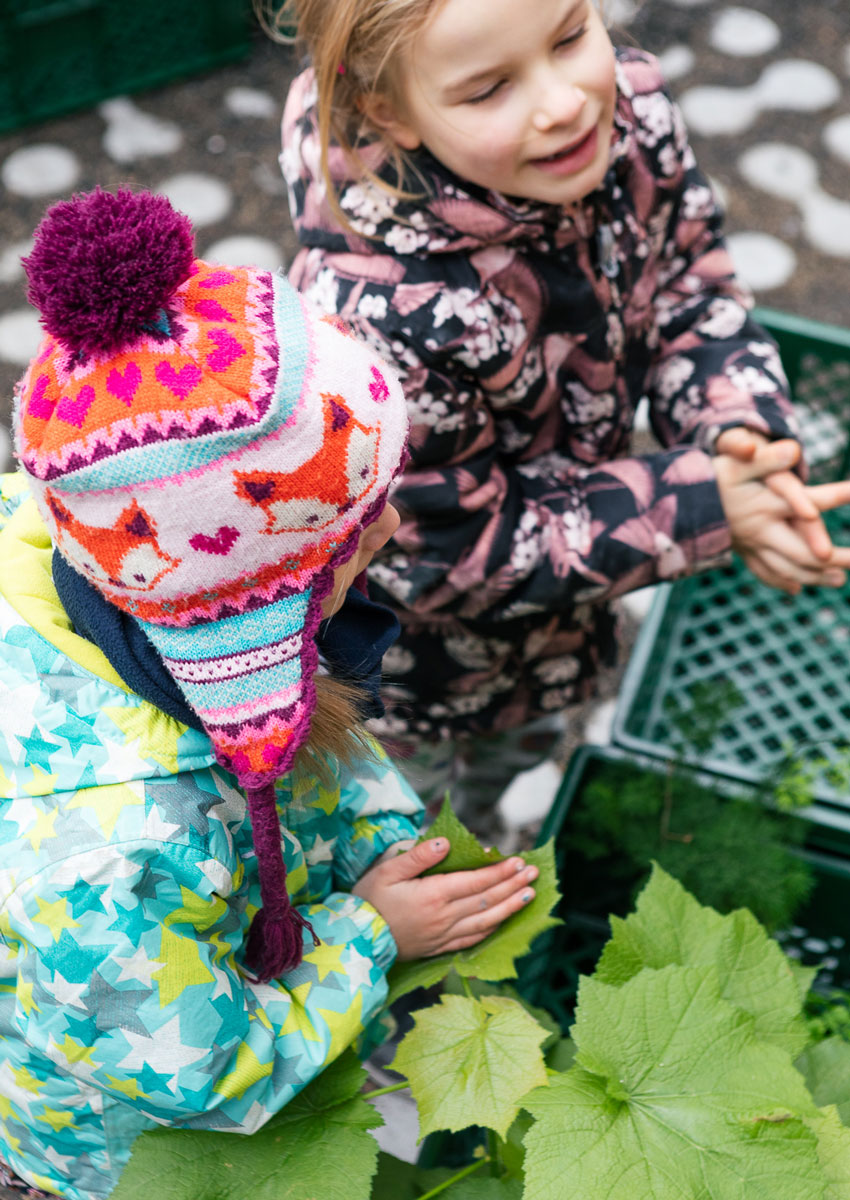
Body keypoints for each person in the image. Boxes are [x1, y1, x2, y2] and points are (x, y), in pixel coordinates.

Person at [0, 187, 538, 1200]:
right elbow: (192, 1070)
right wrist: (368, 941)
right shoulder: (109, 853)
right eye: (354, 533)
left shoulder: (86, 540)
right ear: (240, 610)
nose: (387, 533)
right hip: (123, 1147)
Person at [260, 0, 850, 815]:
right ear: (385, 109)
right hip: (413, 674)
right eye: (488, 89)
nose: (563, 100)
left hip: (570, 607)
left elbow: (686, 277)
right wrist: (700, 506)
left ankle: (500, 814)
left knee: (520, 756)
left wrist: (736, 427)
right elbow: (447, 551)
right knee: (413, 818)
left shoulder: (628, 116)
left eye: (571, 35)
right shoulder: (378, 317)